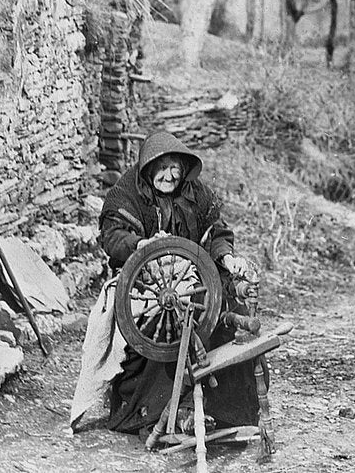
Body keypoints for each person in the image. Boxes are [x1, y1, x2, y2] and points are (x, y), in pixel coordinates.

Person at [70, 129, 260, 436]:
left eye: (175, 168)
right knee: (154, 325)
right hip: (142, 281)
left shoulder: (195, 192)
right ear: (148, 166)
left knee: (225, 310)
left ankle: (224, 410)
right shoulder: (125, 193)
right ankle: (154, 412)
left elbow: (217, 234)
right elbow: (112, 237)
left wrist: (226, 258)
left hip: (191, 277)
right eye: (162, 167)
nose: (169, 175)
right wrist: (140, 244)